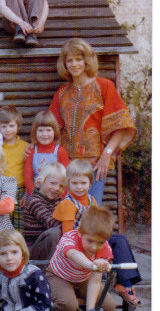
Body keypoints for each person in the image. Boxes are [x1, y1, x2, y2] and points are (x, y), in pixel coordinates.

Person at [49, 37, 137, 203]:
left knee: (90, 211)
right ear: (65, 64)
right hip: (67, 165)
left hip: (95, 164)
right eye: (70, 60)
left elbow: (121, 125)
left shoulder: (104, 86)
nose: (74, 64)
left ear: (86, 61)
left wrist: (107, 153)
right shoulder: (62, 93)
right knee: (68, 212)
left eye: (79, 59)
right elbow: (51, 129)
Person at [53, 159, 141, 306]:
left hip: (93, 236)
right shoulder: (68, 204)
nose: (79, 187)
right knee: (102, 244)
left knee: (119, 240)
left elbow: (98, 222)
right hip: (80, 240)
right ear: (68, 183)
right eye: (75, 183)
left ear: (90, 183)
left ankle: (125, 284)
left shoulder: (91, 200)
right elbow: (68, 233)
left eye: (83, 183)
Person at [46, 206, 118, 311]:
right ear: (80, 233)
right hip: (58, 276)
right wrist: (92, 265)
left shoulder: (104, 248)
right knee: (68, 304)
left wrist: (91, 310)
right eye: (90, 241)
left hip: (83, 279)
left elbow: (95, 281)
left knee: (108, 305)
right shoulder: (69, 238)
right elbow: (74, 254)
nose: (94, 247)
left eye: (100, 242)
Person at [22, 162, 66, 260]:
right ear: (42, 181)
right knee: (55, 233)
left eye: (61, 186)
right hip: (33, 248)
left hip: (49, 246)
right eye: (53, 183)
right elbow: (51, 222)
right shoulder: (34, 201)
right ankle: (49, 268)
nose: (56, 188)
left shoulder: (58, 200)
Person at [0, 105, 28, 230]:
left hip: (21, 190)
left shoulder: (26, 147)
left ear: (18, 127)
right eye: (4, 126)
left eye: (11, 126)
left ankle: (19, 247)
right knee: (4, 223)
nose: (8, 130)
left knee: (20, 224)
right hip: (3, 190)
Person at [24, 110, 69, 195]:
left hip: (56, 195)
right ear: (35, 132)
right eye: (41, 130)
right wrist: (35, 196)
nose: (45, 134)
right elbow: (28, 179)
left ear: (54, 131)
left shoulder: (60, 151)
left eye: (48, 130)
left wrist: (60, 198)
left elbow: (65, 178)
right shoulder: (31, 151)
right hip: (36, 195)